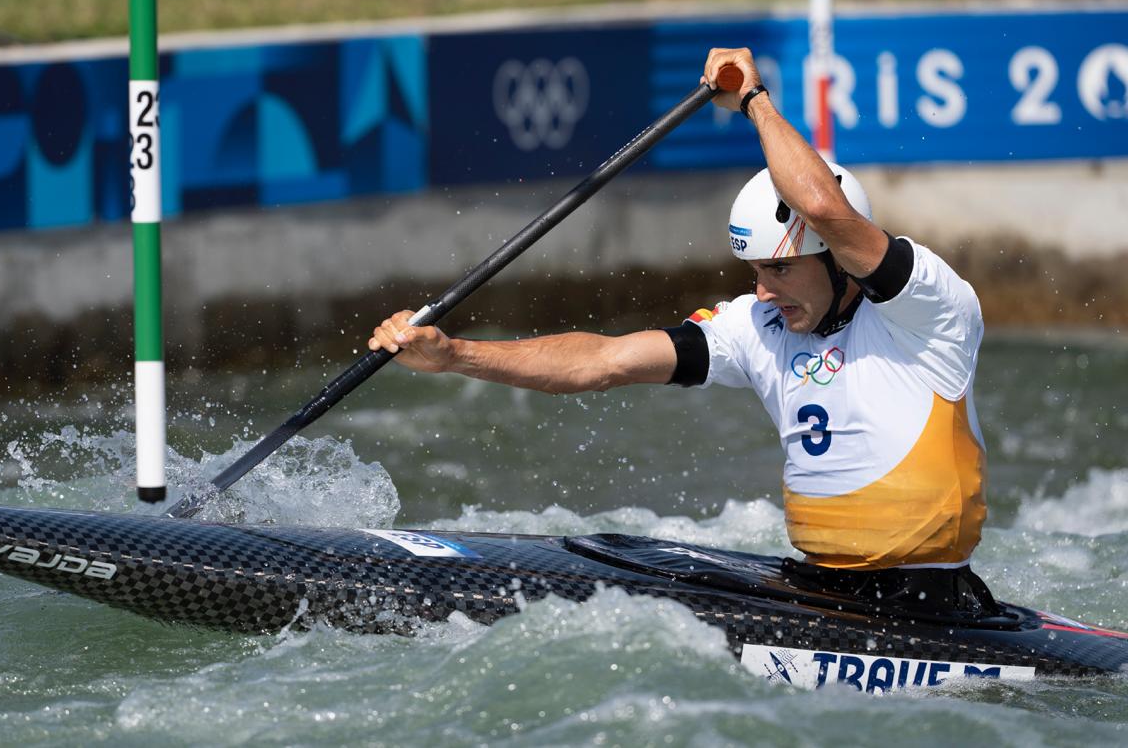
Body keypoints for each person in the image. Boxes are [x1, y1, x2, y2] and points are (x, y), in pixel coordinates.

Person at [368, 47, 997, 618]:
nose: (762, 291)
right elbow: (602, 362)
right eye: (755, 272)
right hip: (819, 589)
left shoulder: (928, 315)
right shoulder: (757, 326)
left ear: (839, 260)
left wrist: (754, 101)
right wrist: (454, 355)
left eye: (779, 269)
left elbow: (825, 210)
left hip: (930, 606)